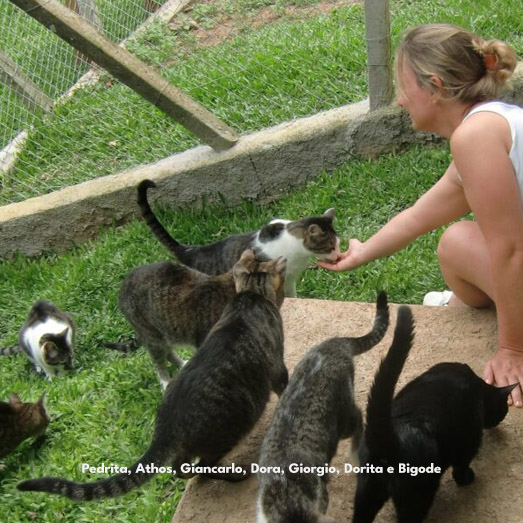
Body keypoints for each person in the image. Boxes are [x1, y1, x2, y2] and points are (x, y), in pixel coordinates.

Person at [319, 24, 523, 406]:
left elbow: (511, 249)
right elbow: (417, 217)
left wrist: (513, 350)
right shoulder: (492, 123)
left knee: (464, 243)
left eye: (404, 87)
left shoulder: (475, 137)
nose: (400, 101)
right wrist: (362, 252)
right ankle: (466, 306)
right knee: (455, 243)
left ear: (435, 87)